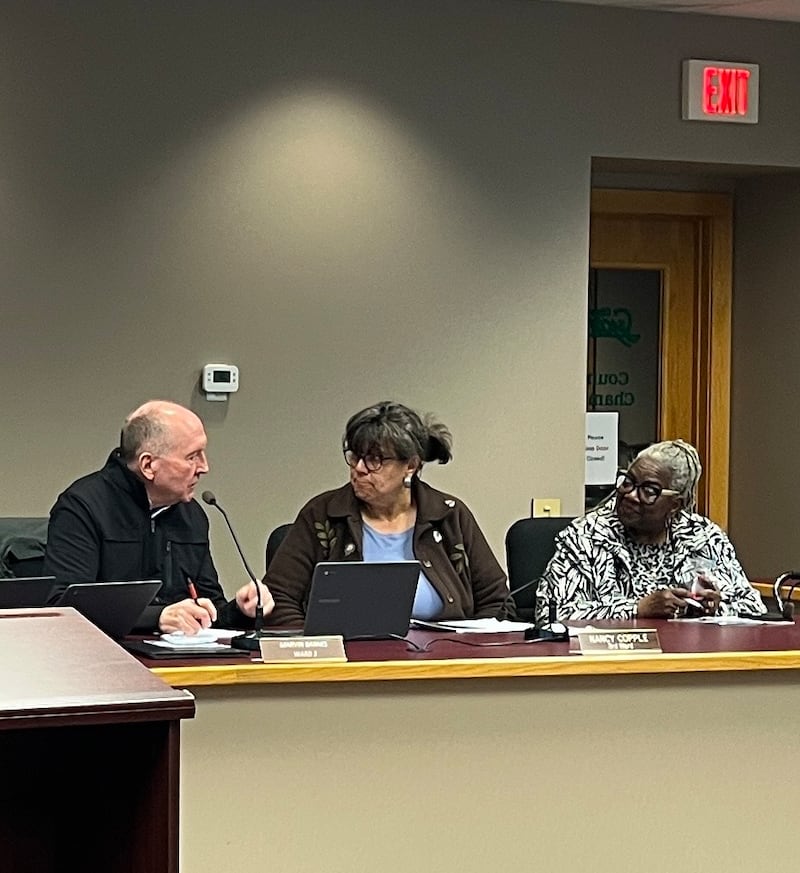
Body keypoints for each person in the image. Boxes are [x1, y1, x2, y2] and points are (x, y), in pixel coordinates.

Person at [265, 400, 510, 625]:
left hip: (440, 663)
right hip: (343, 665)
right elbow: (278, 599)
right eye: (355, 456)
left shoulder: (450, 516)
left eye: (375, 460)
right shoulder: (322, 515)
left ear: (410, 466)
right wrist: (317, 652)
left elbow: (497, 603)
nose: (359, 469)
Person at [43, 400, 273, 634]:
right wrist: (156, 617)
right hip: (107, 659)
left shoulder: (191, 514)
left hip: (182, 660)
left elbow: (208, 607)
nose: (204, 467)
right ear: (148, 465)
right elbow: (65, 609)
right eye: (192, 456)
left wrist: (241, 610)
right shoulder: (83, 507)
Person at [536, 439, 765, 621]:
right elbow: (551, 614)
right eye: (628, 482)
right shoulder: (586, 536)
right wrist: (637, 608)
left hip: (690, 663)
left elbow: (754, 608)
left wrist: (715, 607)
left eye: (649, 490)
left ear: (675, 504)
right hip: (612, 668)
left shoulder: (704, 537)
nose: (631, 496)